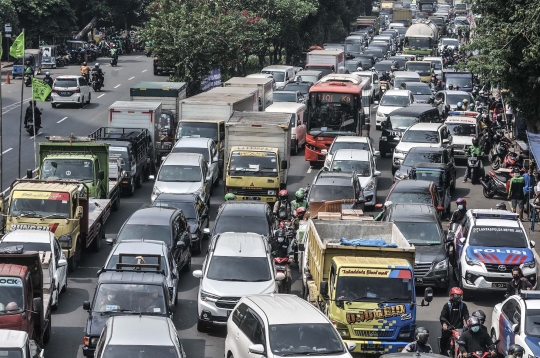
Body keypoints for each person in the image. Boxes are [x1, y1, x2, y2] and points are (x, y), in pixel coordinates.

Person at [440, 287, 469, 356]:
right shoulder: (447, 305)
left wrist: (468, 322)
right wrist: (444, 324)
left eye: (460, 295)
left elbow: (466, 315)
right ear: (451, 296)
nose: (458, 297)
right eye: (456, 295)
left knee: (465, 340)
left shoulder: (463, 305)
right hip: (449, 327)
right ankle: (442, 352)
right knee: (444, 338)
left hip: (459, 328)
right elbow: (442, 316)